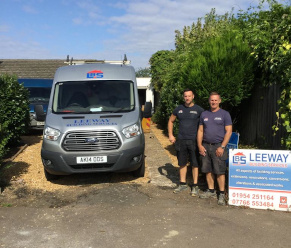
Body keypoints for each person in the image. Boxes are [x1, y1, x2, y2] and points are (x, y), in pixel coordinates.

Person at [197, 92, 232, 205]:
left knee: (220, 171)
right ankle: (211, 190)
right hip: (206, 146)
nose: (213, 102)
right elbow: (201, 131)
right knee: (207, 169)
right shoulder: (204, 114)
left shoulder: (224, 114)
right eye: (212, 100)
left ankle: (221, 193)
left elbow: (229, 131)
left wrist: (222, 146)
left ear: (219, 101)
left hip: (218, 146)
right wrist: (200, 145)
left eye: (216, 100)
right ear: (209, 101)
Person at [168, 89, 204, 195]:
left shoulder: (199, 110)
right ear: (183, 97)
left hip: (194, 141)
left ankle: (195, 186)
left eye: (189, 96)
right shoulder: (179, 109)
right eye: (185, 96)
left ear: (193, 96)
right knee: (182, 163)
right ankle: (182, 184)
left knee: (195, 163)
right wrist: (170, 134)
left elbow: (205, 123)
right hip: (181, 140)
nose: (187, 98)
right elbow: (171, 121)